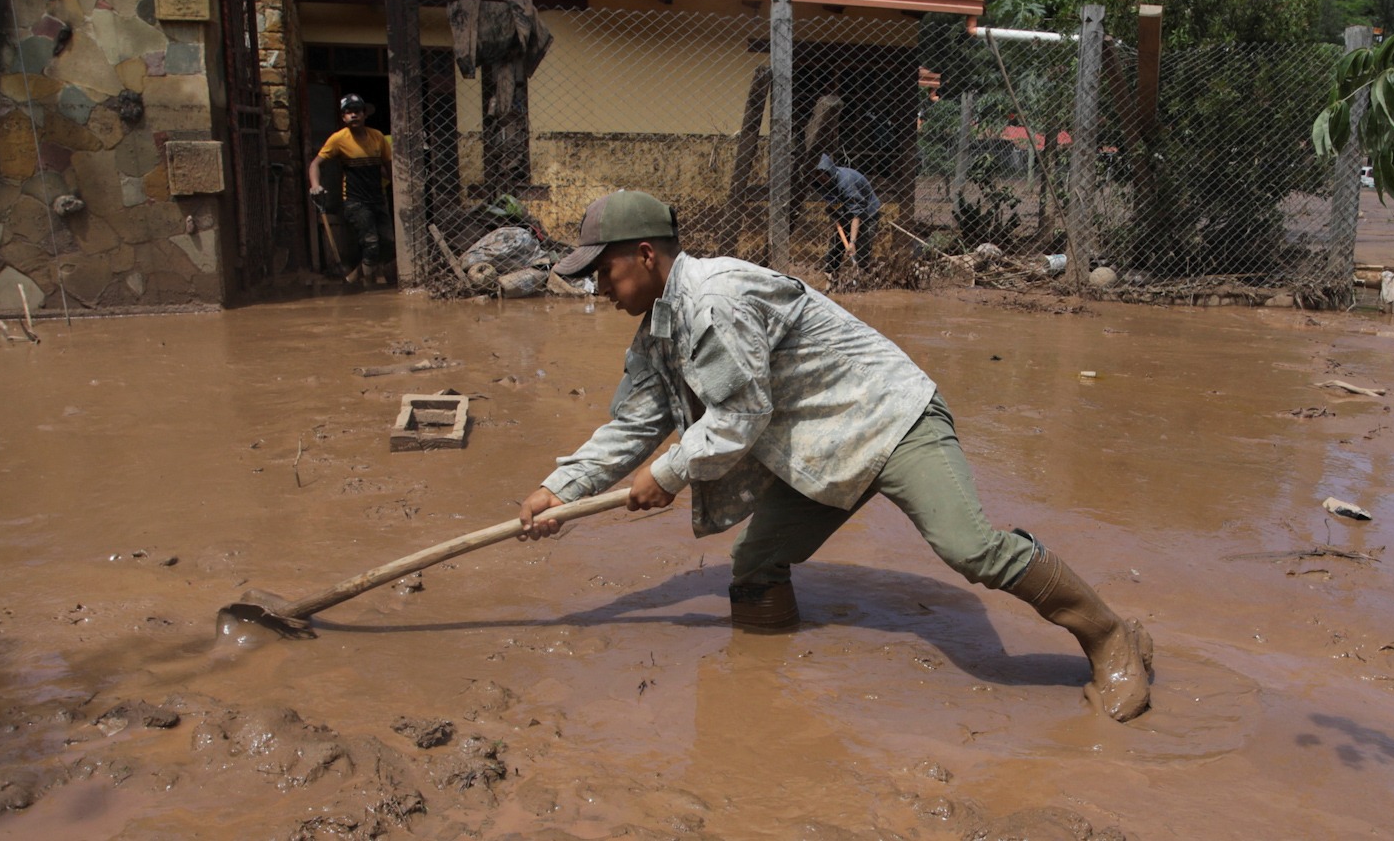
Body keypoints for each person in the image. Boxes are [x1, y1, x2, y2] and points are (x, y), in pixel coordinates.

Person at [516, 190, 1154, 722]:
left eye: (603, 271)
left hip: (890, 417)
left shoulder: (715, 300)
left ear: (645, 254)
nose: (599, 287)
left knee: (970, 546)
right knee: (756, 563)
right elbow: (636, 421)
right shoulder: (660, 328)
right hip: (818, 444)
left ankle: (1110, 636)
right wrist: (562, 489)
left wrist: (668, 472)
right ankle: (761, 698)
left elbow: (739, 416)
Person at [308, 93, 393, 284]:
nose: (353, 115)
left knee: (389, 243)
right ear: (343, 117)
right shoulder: (338, 139)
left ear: (364, 114)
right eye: (348, 112)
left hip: (378, 197)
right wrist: (315, 185)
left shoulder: (377, 137)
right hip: (355, 201)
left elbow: (388, 166)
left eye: (357, 111)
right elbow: (315, 164)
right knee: (371, 244)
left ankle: (353, 278)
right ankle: (369, 287)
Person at [812, 153, 879, 276]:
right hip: (845, 213)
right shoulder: (821, 184)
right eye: (816, 177)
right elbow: (832, 203)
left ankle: (861, 278)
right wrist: (835, 214)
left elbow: (856, 214)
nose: (820, 180)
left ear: (828, 172)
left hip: (867, 213)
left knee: (861, 252)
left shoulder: (846, 182)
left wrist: (852, 242)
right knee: (834, 251)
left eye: (822, 177)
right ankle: (831, 278)